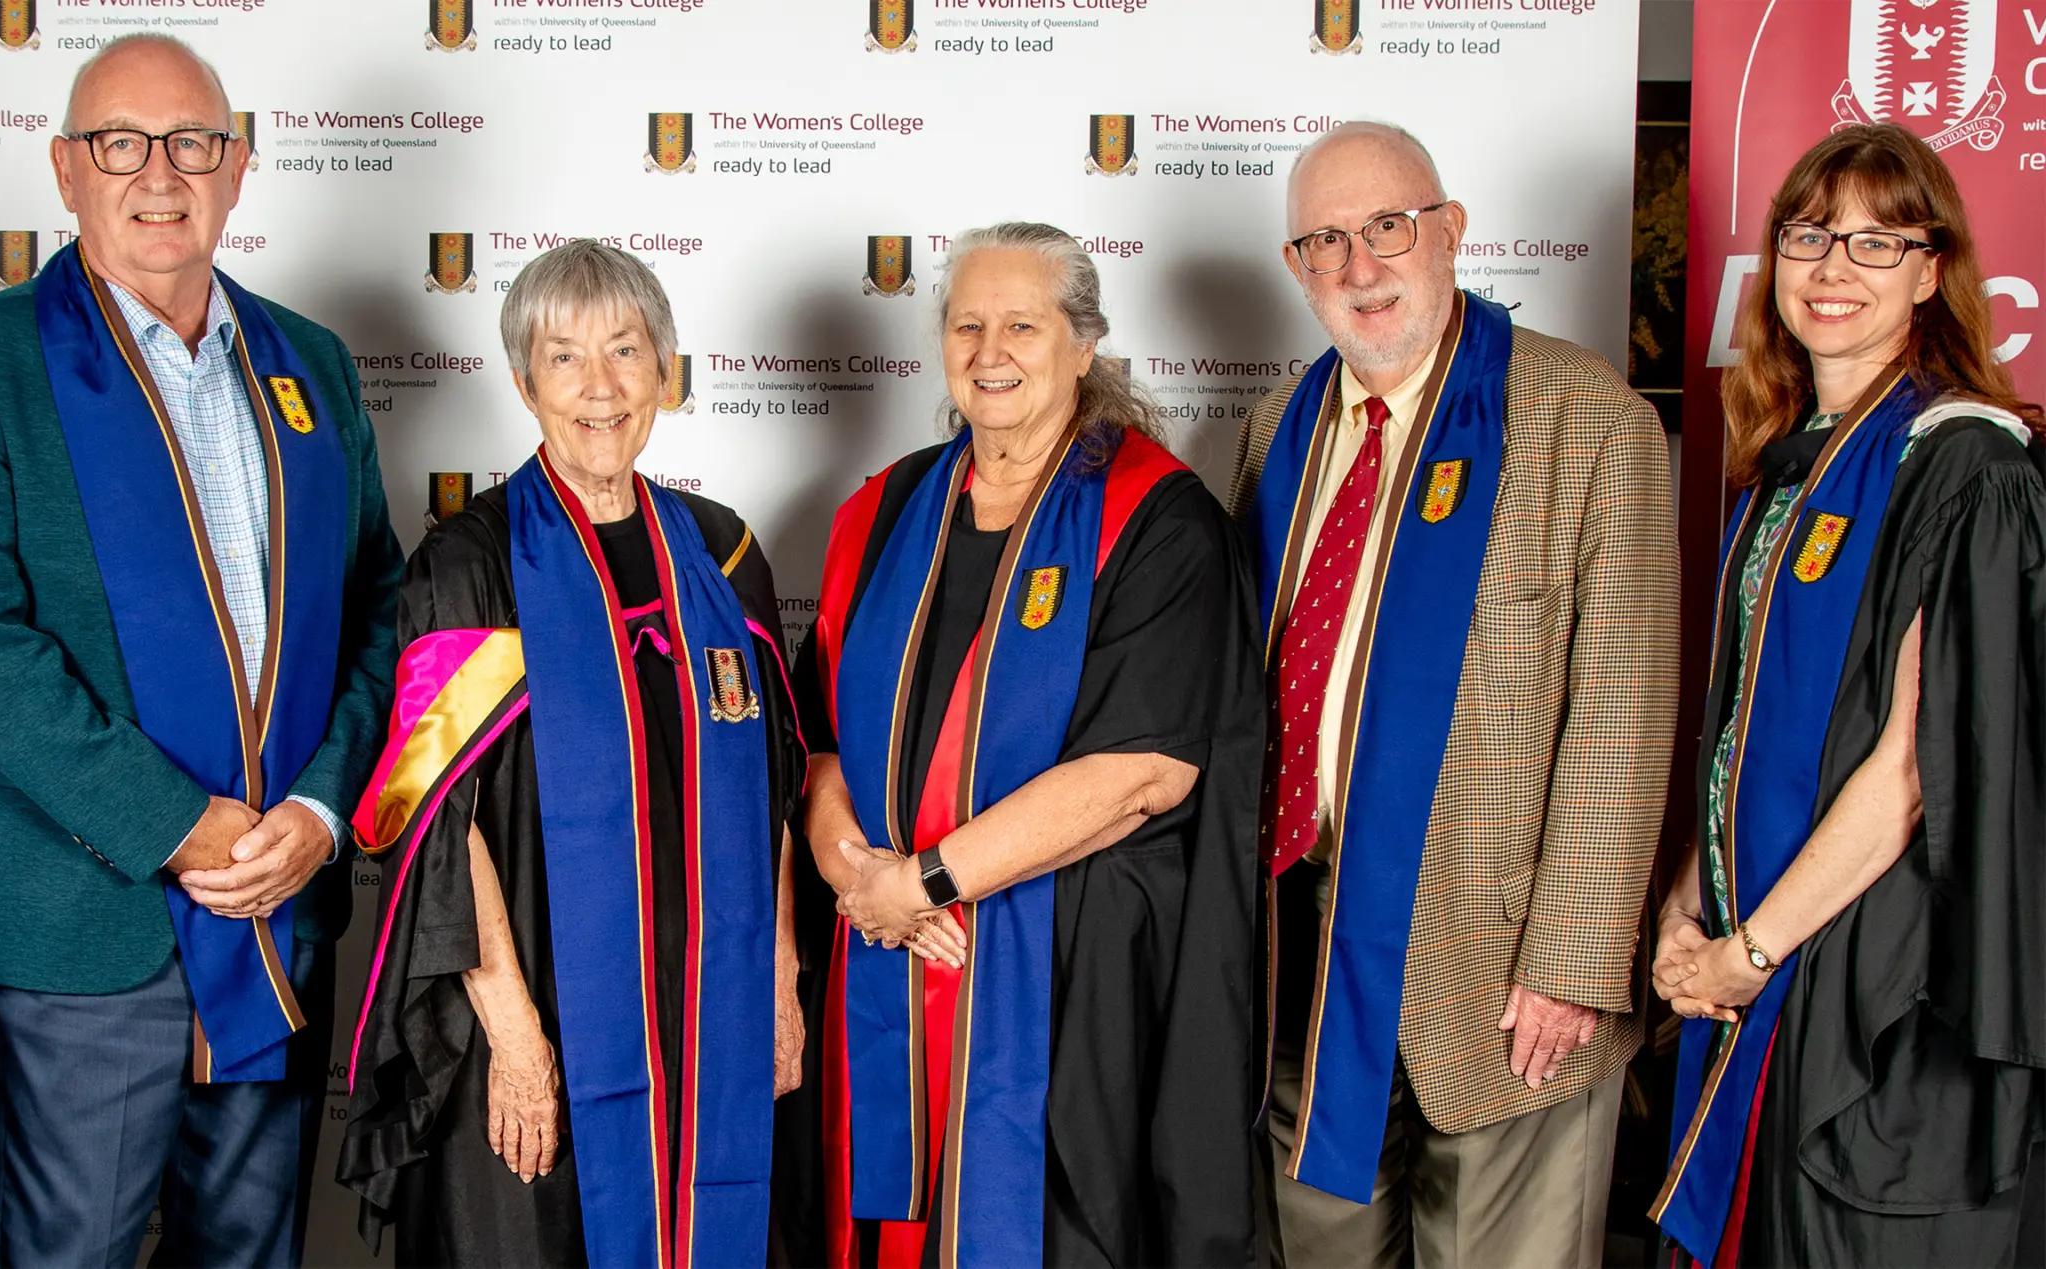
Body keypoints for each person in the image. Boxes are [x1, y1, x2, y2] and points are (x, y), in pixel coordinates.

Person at [0, 33, 400, 1267]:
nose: (157, 174)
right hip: (81, 927)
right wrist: (182, 825)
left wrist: (322, 812)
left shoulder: (311, 364)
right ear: (67, 169)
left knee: (251, 1252)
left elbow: (378, 607)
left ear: (238, 167)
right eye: (120, 142)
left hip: (277, 898)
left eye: (193, 144)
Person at [1228, 121, 1677, 1268]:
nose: (1359, 266)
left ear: (1450, 230)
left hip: (1503, 976)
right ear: (1295, 265)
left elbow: (1622, 713)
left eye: (1387, 228)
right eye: (1325, 241)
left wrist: (1572, 964)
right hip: (1305, 959)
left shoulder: (1589, 420)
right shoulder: (1277, 430)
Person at [794, 221, 1265, 1268]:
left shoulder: (1157, 521)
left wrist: (922, 885)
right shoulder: (883, 509)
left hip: (1068, 980)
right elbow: (816, 738)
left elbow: (1142, 773)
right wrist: (862, 880)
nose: (988, 350)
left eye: (1021, 323)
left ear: (1082, 344)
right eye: (967, 324)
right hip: (886, 955)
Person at [336, 238, 808, 1266]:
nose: (600, 388)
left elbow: (775, 788)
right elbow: (431, 828)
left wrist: (776, 984)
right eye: (564, 358)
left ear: (665, 374)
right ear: (522, 381)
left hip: (706, 1011)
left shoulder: (725, 554)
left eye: (627, 353)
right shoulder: (468, 568)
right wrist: (512, 1038)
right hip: (537, 1009)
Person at [1648, 122, 2046, 1268]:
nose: (1831, 270)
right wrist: (1686, 911)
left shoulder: (1966, 466)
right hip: (1754, 950)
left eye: (1878, 244)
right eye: (1811, 235)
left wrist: (1750, 950)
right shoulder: (1785, 462)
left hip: (1867, 981)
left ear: (1932, 272)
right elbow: (1738, 728)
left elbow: (1916, 766)